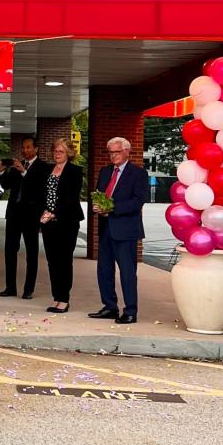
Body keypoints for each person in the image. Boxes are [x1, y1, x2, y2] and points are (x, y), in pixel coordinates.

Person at [89, 136, 148, 325]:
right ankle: (109, 307)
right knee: (104, 270)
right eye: (110, 152)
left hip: (125, 230)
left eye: (116, 152)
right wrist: (97, 206)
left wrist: (112, 208)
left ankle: (130, 311)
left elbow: (138, 201)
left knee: (127, 272)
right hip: (106, 228)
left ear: (126, 151)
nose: (113, 156)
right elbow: (99, 194)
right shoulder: (105, 171)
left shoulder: (138, 173)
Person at [0, 137, 50, 299]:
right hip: (13, 213)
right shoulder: (16, 165)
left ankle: (28, 289)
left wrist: (24, 172)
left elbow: (39, 187)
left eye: (28, 147)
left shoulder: (43, 167)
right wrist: (0, 171)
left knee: (31, 252)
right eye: (23, 147)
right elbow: (7, 185)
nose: (25, 150)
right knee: (10, 250)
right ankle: (10, 287)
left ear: (36, 149)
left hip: (31, 215)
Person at [39, 139, 84, 313]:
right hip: (48, 222)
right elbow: (41, 194)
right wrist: (44, 213)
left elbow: (71, 197)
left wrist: (55, 212)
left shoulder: (75, 171)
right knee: (52, 261)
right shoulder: (47, 170)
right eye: (56, 151)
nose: (57, 154)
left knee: (64, 260)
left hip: (67, 221)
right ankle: (56, 297)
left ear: (69, 154)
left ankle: (64, 299)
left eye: (61, 151)